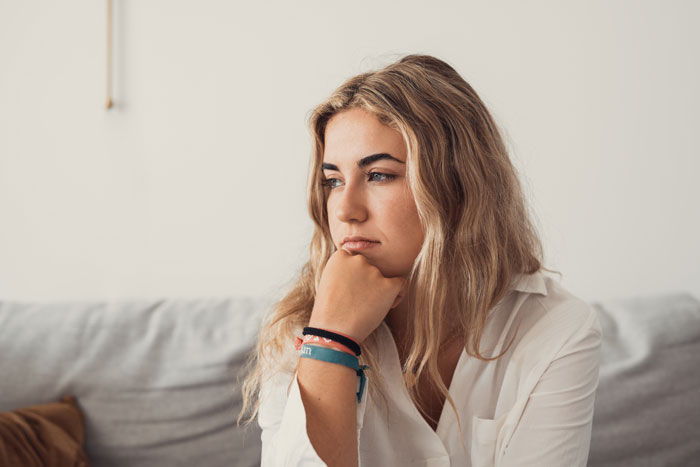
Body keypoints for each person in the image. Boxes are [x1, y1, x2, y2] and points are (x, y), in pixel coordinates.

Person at [238, 54, 602, 467]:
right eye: (333, 181)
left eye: (379, 175)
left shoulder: (555, 330)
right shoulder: (298, 327)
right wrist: (331, 342)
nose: (345, 210)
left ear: (457, 185)